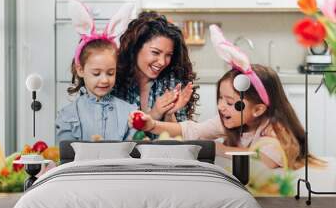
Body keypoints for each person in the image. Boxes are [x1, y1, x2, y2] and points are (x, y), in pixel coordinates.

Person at [128, 25, 323, 170]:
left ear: (258, 109)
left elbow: (267, 161)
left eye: (230, 102)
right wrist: (152, 125)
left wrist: (216, 148)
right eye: (220, 99)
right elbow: (192, 131)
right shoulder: (231, 119)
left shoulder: (275, 130)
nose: (221, 107)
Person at [56, 1, 137, 143]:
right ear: (80, 70)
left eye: (110, 73)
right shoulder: (67, 115)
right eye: (96, 73)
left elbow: (133, 153)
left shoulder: (129, 112)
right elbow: (66, 157)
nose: (105, 80)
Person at [114, 11, 198, 124]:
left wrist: (169, 114)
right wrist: (154, 114)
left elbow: (178, 137)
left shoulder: (172, 82)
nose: (162, 62)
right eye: (155, 52)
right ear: (135, 47)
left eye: (168, 55)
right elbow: (114, 134)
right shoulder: (114, 80)